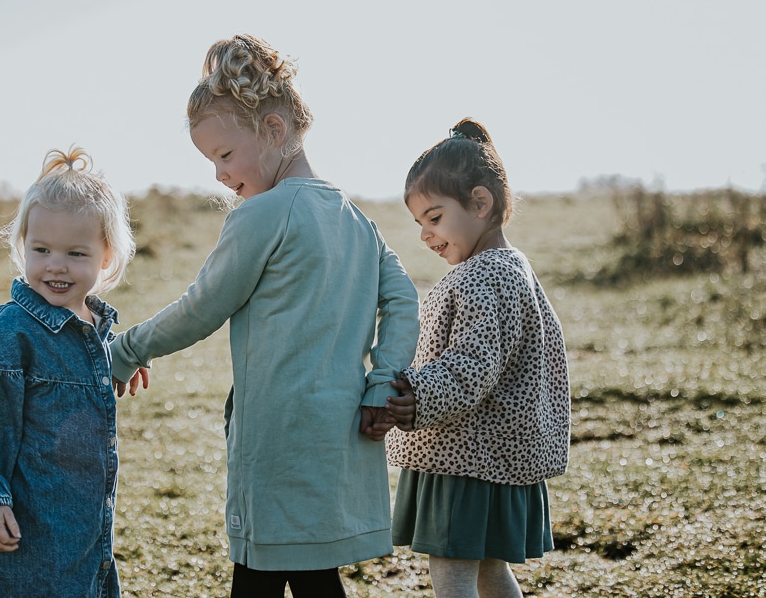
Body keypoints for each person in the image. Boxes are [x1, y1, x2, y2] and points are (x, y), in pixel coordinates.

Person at [109, 34, 420, 597]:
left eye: (225, 155)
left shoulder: (263, 215)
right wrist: (381, 383)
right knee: (310, 573)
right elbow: (401, 300)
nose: (220, 175)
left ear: (274, 131)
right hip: (336, 439)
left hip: (278, 440)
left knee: (259, 576)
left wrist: (126, 350)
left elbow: (202, 307)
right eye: (211, 161)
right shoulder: (356, 219)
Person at [0, 146, 146, 598]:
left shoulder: (97, 328)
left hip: (84, 530)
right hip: (24, 528)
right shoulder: (13, 330)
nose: (55, 264)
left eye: (75, 252)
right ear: (23, 248)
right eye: (41, 249)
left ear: (106, 257)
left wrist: (126, 355)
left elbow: (97, 358)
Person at [385, 118, 571, 598]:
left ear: (481, 202)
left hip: (465, 456)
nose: (426, 234)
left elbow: (472, 363)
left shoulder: (479, 276)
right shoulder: (514, 267)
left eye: (435, 217)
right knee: (489, 570)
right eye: (419, 223)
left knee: (452, 573)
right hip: (497, 455)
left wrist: (419, 397)